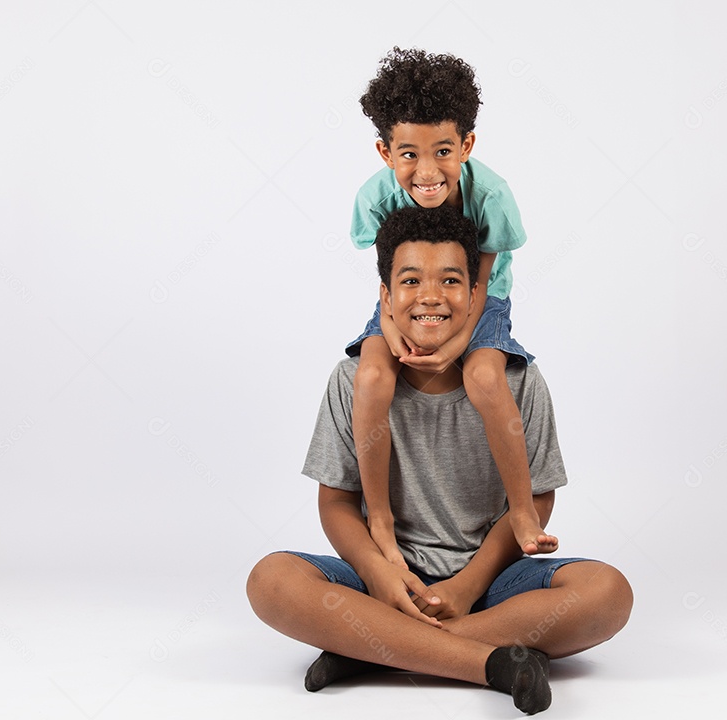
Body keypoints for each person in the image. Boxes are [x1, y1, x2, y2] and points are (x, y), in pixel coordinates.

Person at [248, 207, 632, 715]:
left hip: (490, 582)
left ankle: (373, 652)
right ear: (385, 296)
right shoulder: (353, 380)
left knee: (607, 593)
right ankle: (489, 663)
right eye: (410, 280)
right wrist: (381, 575)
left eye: (451, 280)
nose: (430, 296)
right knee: (271, 580)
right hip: (385, 579)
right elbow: (336, 503)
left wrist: (467, 584)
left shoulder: (518, 381)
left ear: (477, 296)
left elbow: (536, 499)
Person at [346, 47, 555, 569]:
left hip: (481, 298)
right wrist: (391, 332)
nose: (427, 170)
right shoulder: (374, 198)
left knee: (485, 378)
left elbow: (481, 282)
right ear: (385, 152)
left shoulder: (492, 196)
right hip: (405, 299)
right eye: (409, 154)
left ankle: (524, 510)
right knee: (372, 378)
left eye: (443, 151)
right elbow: (385, 275)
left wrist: (461, 343)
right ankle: (379, 516)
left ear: (466, 144)